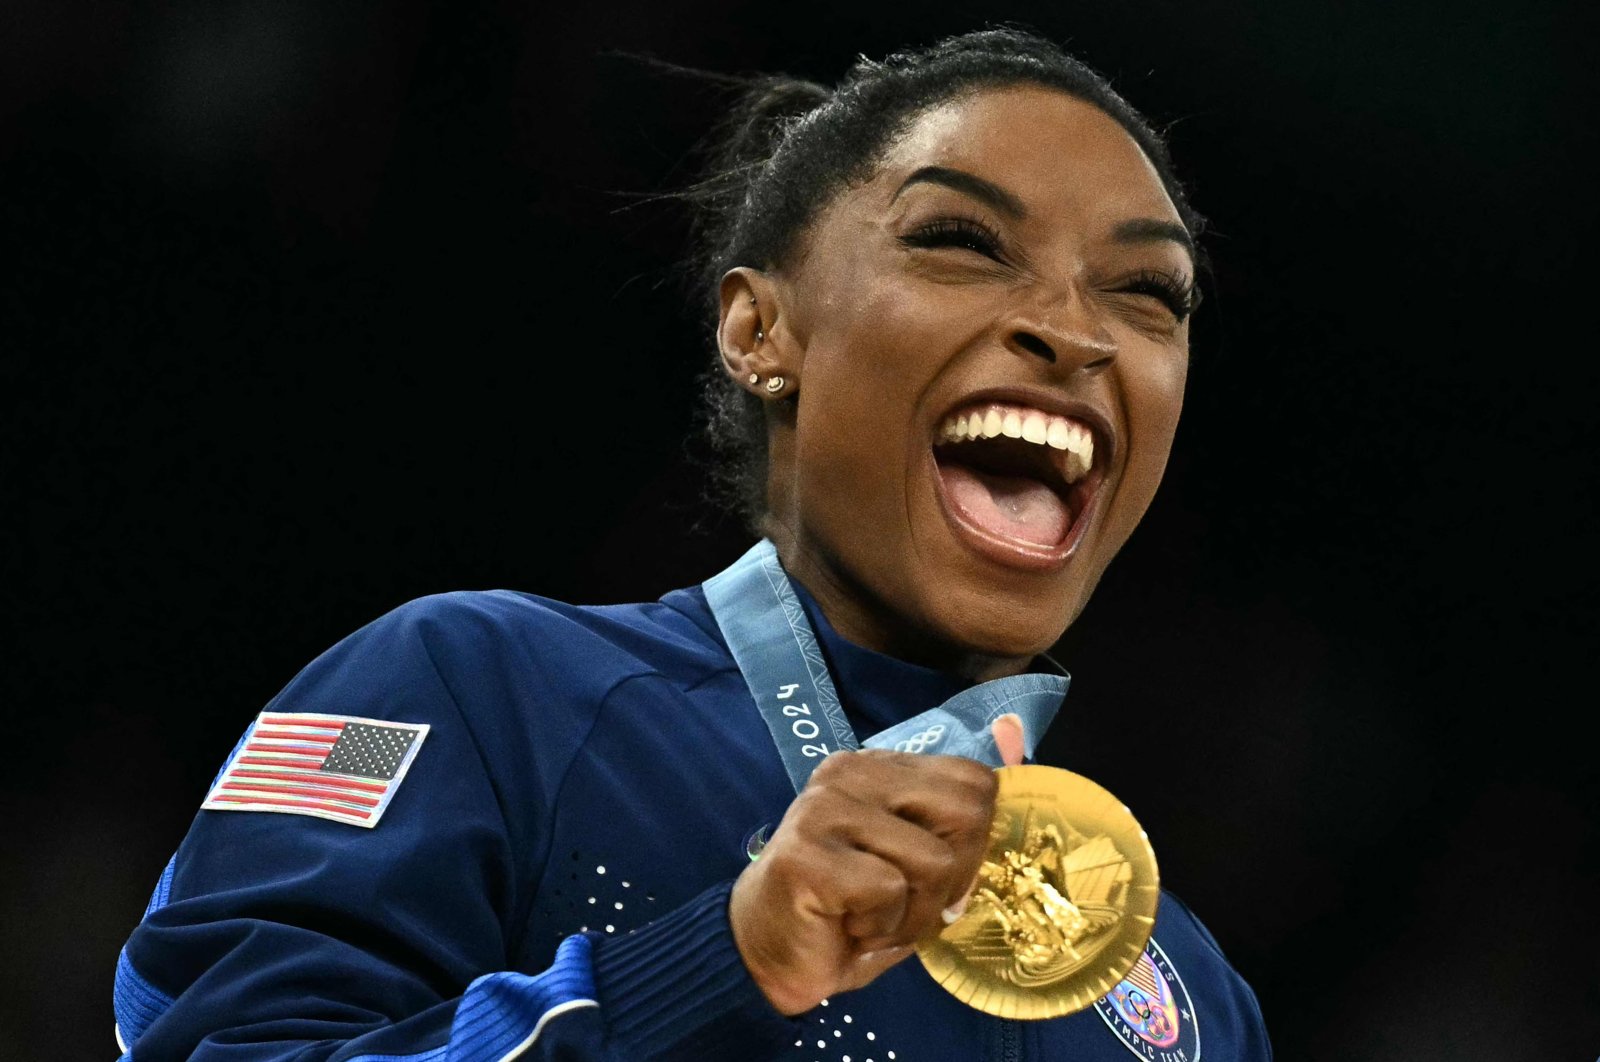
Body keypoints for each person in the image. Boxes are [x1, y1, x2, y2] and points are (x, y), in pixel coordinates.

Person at [114, 28, 1272, 1061]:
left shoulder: (1184, 990)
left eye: (1148, 294)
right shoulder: (471, 690)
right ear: (759, 329)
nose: (1074, 332)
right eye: (963, 240)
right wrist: (725, 958)